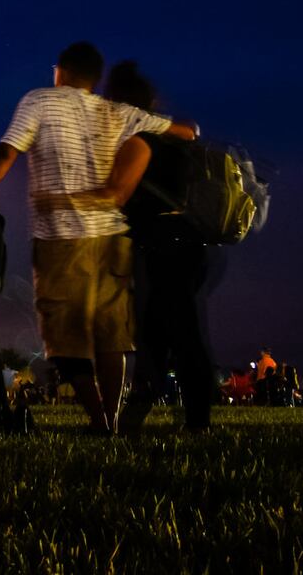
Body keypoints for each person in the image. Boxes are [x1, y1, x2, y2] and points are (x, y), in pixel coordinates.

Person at [0, 41, 196, 434]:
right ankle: (111, 416)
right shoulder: (117, 112)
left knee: (65, 336)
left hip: (61, 238)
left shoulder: (40, 101)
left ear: (60, 71)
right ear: (94, 78)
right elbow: (186, 132)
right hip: (112, 237)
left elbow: (7, 152)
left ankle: (99, 420)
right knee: (112, 333)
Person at [76, 62, 218, 433]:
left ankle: (197, 422)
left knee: (179, 334)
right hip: (186, 243)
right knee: (157, 335)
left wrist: (67, 199)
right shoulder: (175, 138)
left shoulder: (140, 143)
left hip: (163, 245)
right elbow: (191, 132)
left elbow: (119, 195)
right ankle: (132, 422)